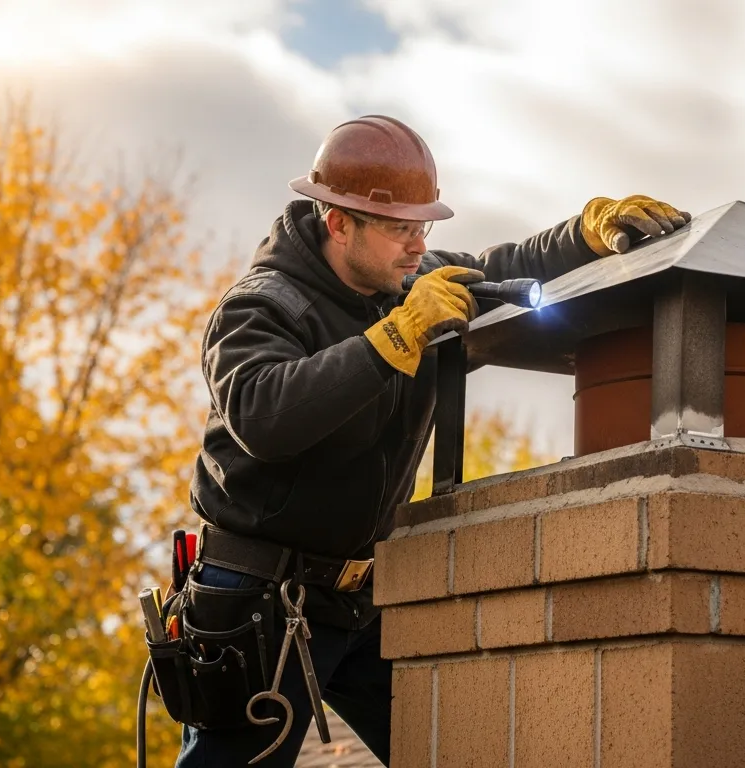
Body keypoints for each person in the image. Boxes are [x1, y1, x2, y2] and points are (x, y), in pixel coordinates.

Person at [173, 115, 689, 767]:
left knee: (455, 750)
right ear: (339, 222)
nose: (418, 245)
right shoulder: (261, 306)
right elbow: (263, 417)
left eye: (425, 227)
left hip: (362, 598)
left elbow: (502, 268)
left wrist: (585, 231)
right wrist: (395, 338)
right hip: (259, 598)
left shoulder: (411, 284)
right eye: (400, 229)